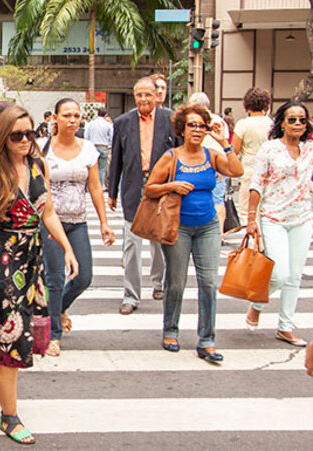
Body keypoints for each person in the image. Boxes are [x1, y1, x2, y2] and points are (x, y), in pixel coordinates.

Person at [0, 105, 78, 445]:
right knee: (13, 337)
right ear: (3, 137)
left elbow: (49, 211)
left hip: (30, 260)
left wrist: (67, 248)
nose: (26, 140)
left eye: (30, 133)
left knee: (15, 330)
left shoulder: (38, 166)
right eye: (17, 135)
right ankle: (8, 416)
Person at [145, 103, 241, 361]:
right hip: (178, 226)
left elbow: (236, 170)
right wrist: (172, 185)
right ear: (182, 129)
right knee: (176, 283)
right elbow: (150, 188)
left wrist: (225, 142)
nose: (197, 130)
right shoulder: (171, 156)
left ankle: (207, 339)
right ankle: (170, 330)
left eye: (201, 125)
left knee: (209, 282)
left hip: (208, 226)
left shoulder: (212, 155)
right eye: (192, 125)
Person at [40, 99, 116, 356]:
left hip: (78, 222)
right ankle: (53, 335)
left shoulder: (88, 149)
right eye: (67, 115)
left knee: (83, 277)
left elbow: (94, 187)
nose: (72, 120)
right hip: (50, 222)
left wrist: (104, 222)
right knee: (54, 278)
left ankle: (56, 309)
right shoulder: (43, 149)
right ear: (56, 118)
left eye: (76, 116)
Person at [244, 101, 313, 347]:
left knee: (294, 276)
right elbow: (257, 183)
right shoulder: (270, 149)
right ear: (282, 122)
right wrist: (251, 218)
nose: (297, 124)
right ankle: (257, 304)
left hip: (303, 218)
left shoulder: (310, 150)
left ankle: (285, 327)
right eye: (292, 119)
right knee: (280, 273)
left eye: (302, 120)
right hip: (273, 218)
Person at [107, 76, 175, 314]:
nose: (144, 99)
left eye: (148, 94)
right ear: (134, 97)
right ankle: (131, 295)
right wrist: (112, 191)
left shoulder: (170, 120)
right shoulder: (123, 122)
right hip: (133, 189)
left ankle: (158, 283)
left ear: (157, 95)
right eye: (139, 95)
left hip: (162, 189)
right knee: (132, 244)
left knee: (158, 241)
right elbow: (116, 159)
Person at [187, 92, 230, 240]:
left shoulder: (194, 122)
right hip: (219, 166)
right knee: (218, 199)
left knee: (210, 199)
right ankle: (219, 234)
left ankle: (208, 233)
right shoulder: (219, 121)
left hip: (202, 166)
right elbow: (224, 144)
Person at [231, 87, 273, 218]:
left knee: (246, 211)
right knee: (267, 212)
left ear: (246, 105)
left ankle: (252, 239)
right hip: (270, 172)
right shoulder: (272, 124)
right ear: (266, 105)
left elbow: (234, 150)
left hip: (249, 171)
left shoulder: (243, 124)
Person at [84, 108, 113, 188]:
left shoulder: (90, 124)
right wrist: (108, 144)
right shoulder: (108, 125)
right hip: (103, 147)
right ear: (105, 115)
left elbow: (86, 136)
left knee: (90, 167)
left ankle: (87, 186)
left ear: (97, 114)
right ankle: (99, 186)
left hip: (92, 147)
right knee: (102, 168)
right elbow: (111, 137)